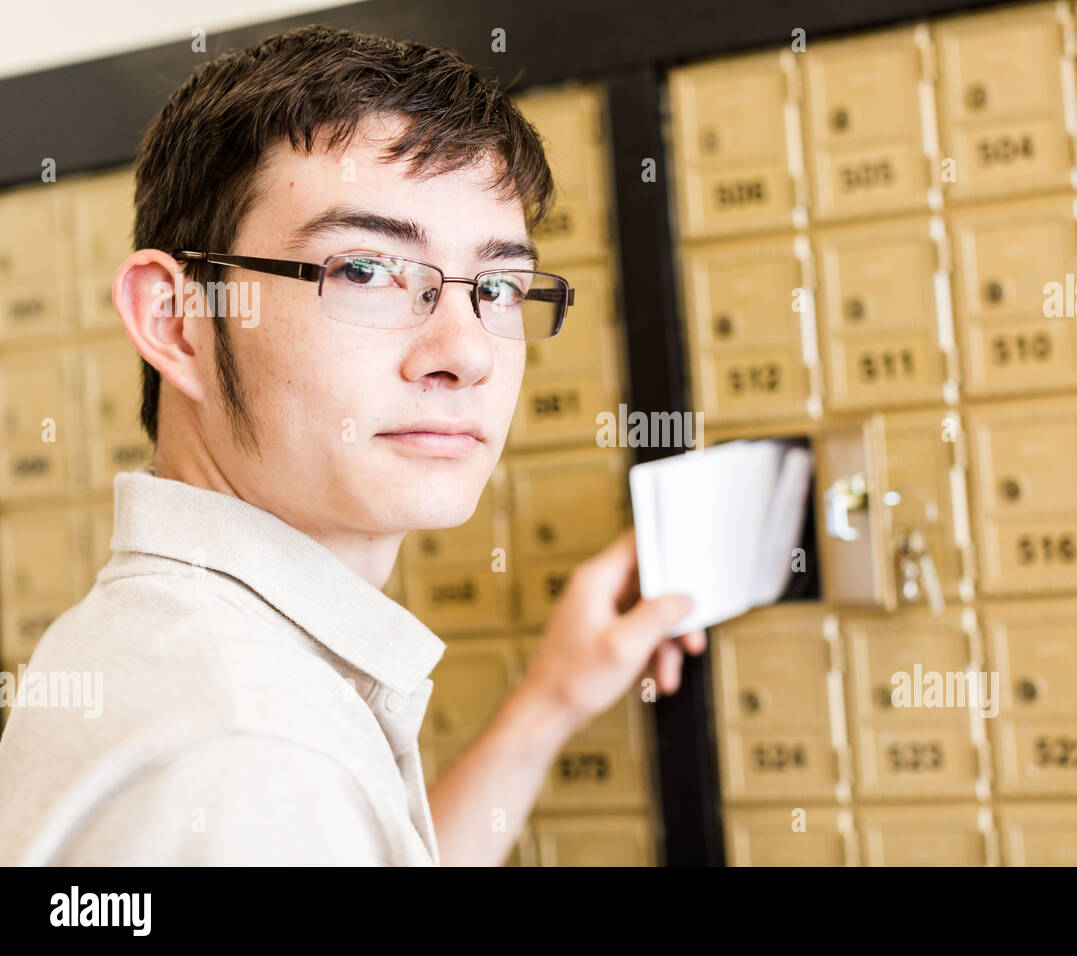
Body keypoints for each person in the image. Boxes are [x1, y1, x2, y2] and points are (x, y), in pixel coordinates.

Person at [0, 24, 703, 866]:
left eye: (498, 286)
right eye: (366, 271)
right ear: (176, 319)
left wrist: (550, 703)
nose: (467, 351)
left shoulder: (191, 661)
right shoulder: (246, 753)